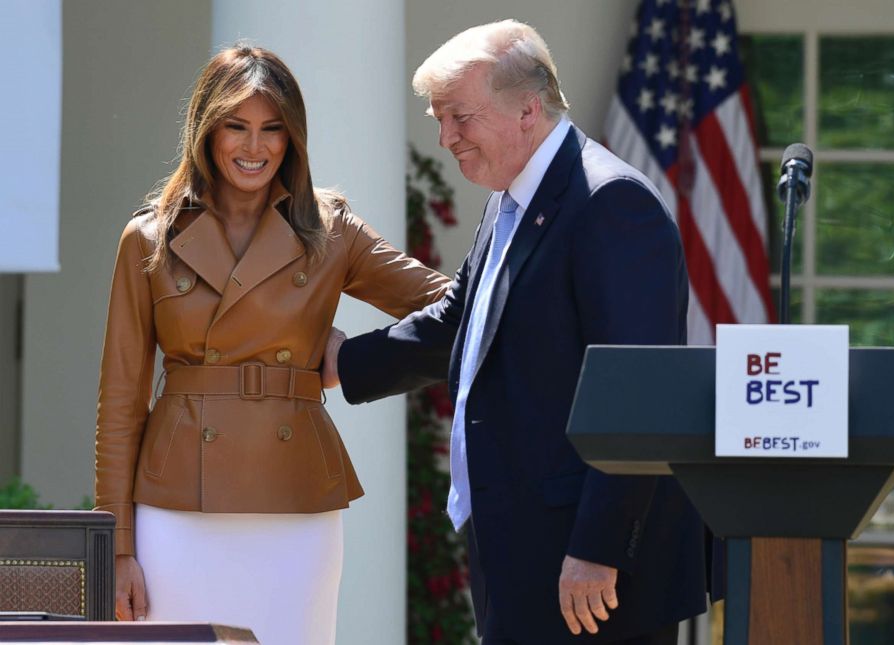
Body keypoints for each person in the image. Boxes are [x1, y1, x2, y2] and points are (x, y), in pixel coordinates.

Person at [324, 20, 708, 645]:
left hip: (587, 566)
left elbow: (643, 395)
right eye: (439, 119)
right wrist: (347, 361)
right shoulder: (513, 197)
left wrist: (598, 547)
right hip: (520, 546)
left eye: (460, 118)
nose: (446, 138)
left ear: (528, 110)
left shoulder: (610, 203)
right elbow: (463, 321)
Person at [94, 44, 449, 644]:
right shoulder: (149, 238)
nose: (254, 148)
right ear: (206, 130)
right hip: (175, 508)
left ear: (293, 138)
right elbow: (121, 401)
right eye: (236, 126)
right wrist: (117, 547)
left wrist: (356, 359)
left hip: (295, 505)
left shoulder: (331, 230)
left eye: (272, 129)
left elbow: (454, 308)